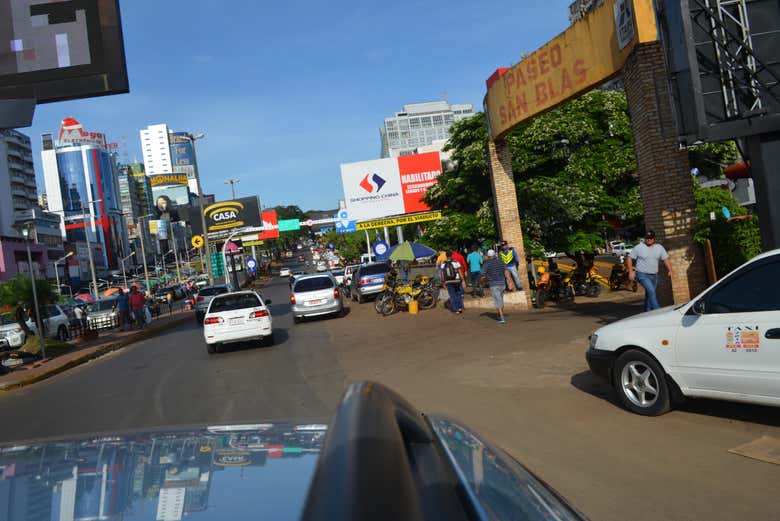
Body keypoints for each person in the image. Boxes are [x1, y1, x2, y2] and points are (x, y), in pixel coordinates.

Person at [627, 230, 673, 311]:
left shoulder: (659, 248)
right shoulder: (639, 247)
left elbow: (665, 259)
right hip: (642, 274)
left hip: (654, 275)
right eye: (647, 238)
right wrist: (631, 271)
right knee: (651, 291)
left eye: (650, 238)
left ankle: (647, 312)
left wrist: (670, 270)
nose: (648, 240)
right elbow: (629, 258)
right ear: (645, 238)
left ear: (654, 239)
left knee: (649, 294)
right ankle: (658, 311)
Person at [481, 249, 508, 323]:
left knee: (498, 301)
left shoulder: (486, 264)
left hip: (493, 284)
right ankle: (500, 315)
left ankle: (502, 318)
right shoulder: (501, 261)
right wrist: (510, 282)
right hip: (502, 283)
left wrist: (482, 281)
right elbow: (506, 271)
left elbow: (483, 274)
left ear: (488, 256)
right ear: (494, 255)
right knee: (501, 300)